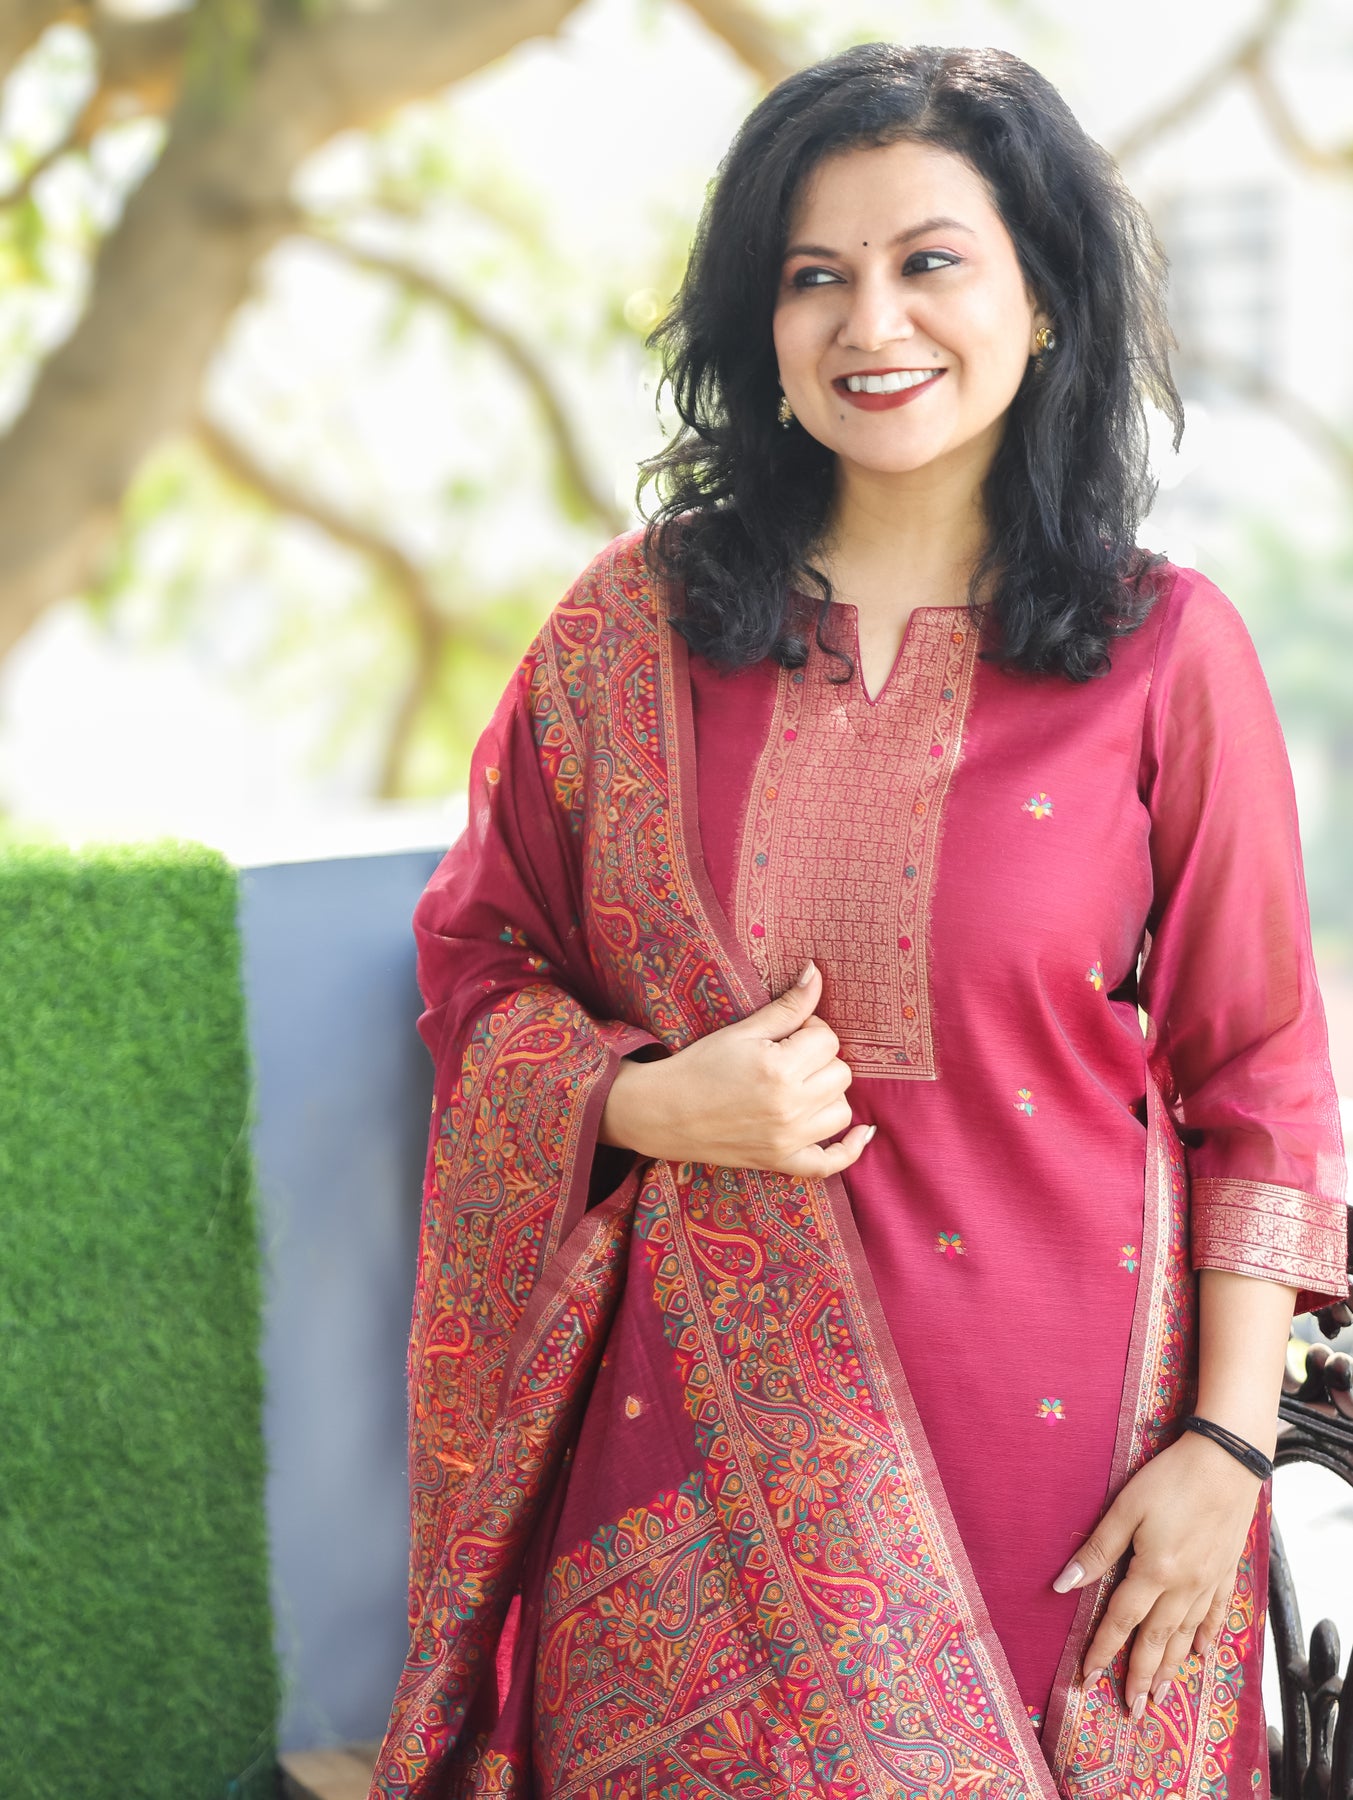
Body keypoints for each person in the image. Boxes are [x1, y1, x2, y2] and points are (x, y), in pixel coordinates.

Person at [368, 42, 1349, 1800]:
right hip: (696, 1459)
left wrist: (1224, 1444)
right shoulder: (627, 633)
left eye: (928, 261)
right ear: (759, 324)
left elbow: (1256, 1076)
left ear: (1042, 304)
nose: (867, 321)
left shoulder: (1162, 651)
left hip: (1079, 1486)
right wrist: (639, 1099)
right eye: (813, 274)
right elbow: (476, 959)